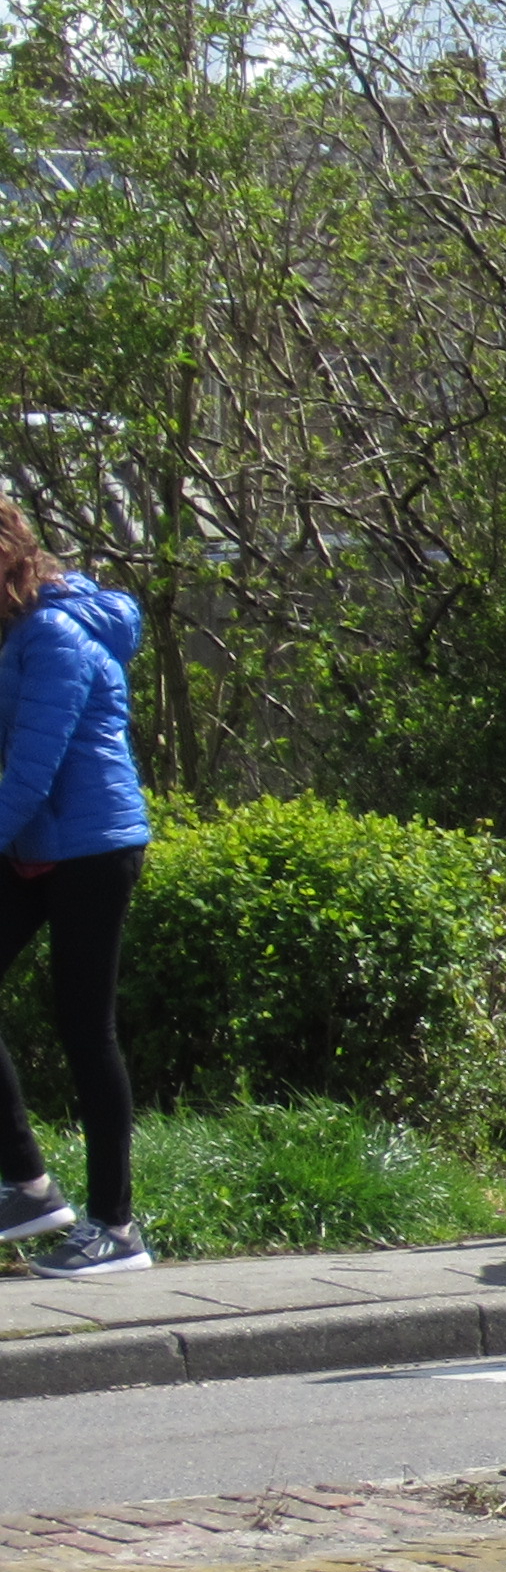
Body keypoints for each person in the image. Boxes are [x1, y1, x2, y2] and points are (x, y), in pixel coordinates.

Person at [0, 502, 154, 1279]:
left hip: (92, 847)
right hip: (40, 844)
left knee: (85, 1030)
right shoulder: (17, 634)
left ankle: (115, 1229)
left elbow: (33, 769)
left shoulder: (54, 638)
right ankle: (28, 1186)